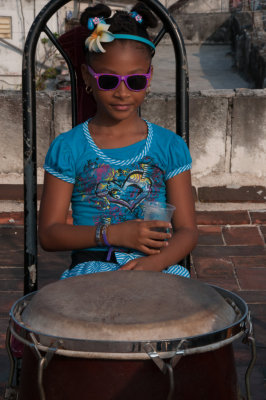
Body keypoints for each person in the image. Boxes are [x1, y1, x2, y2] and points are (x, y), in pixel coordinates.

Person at [38, 2, 198, 279]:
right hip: (94, 268)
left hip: (157, 267)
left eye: (135, 81)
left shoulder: (169, 146)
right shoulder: (68, 148)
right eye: (109, 81)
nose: (123, 93)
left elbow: (187, 230)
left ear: (148, 79)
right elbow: (50, 234)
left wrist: (155, 264)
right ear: (87, 77)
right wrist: (113, 233)